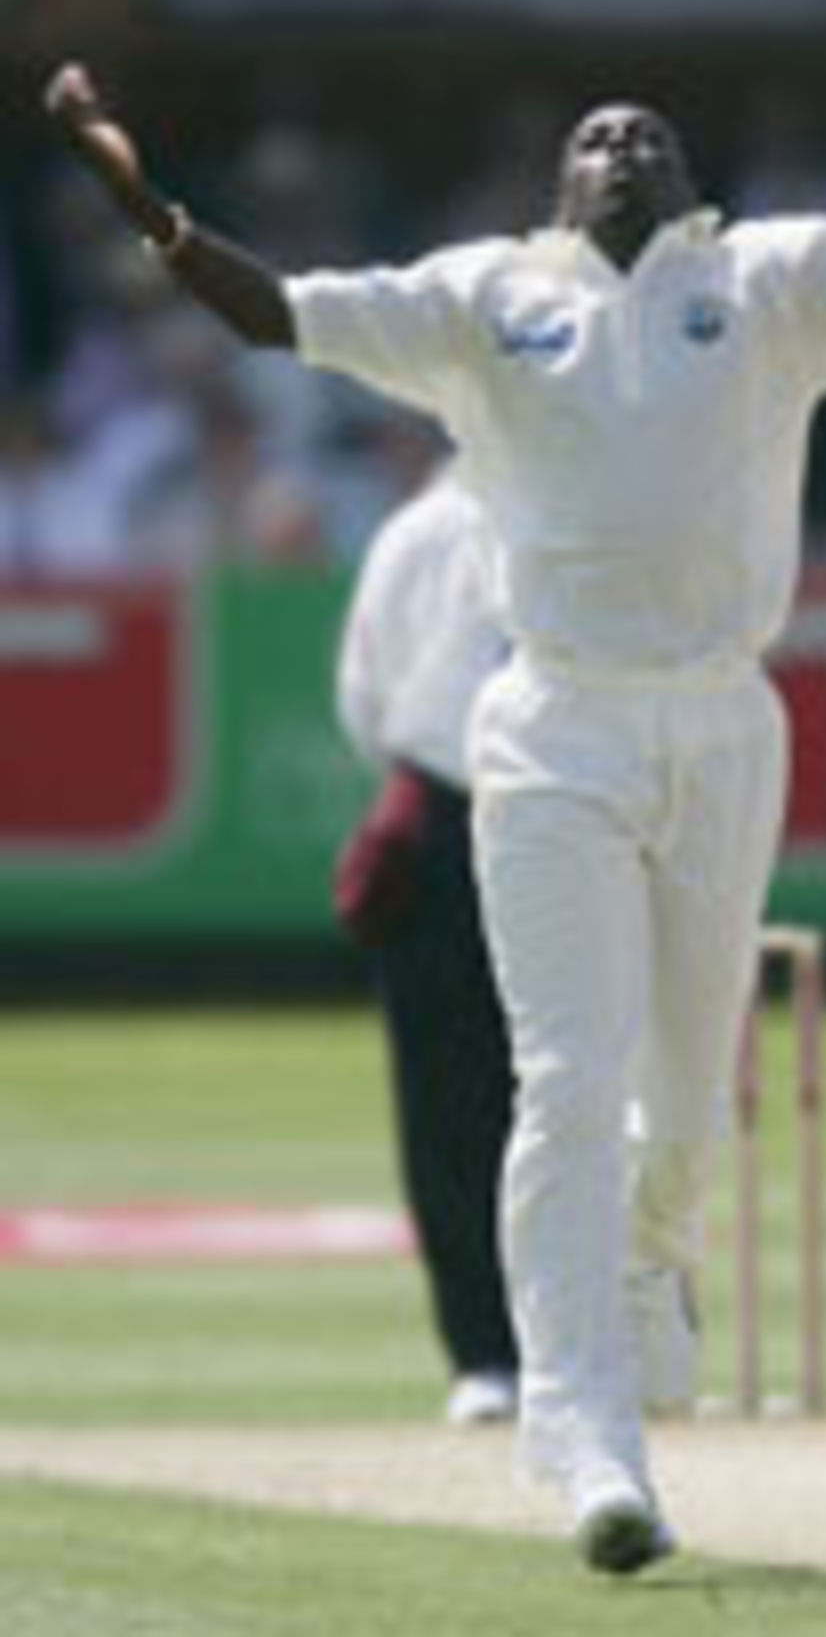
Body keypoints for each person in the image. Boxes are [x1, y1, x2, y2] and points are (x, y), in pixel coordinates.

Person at [45, 7, 826, 1573]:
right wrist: (141, 199)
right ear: (558, 192)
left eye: (647, 130)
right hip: (546, 728)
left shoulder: (770, 283)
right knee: (566, 1079)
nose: (619, 138)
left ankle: (652, 1265)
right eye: (591, 134)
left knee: (683, 1107)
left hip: (721, 725)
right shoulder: (486, 299)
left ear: (687, 183)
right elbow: (273, 313)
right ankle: (588, 1439)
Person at [332, 457, 519, 1425]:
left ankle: (610, 1332)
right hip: (444, 814)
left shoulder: (595, 498)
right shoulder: (422, 529)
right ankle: (483, 1351)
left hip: (570, 809)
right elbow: (366, 696)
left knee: (581, 1086)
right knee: (444, 1095)